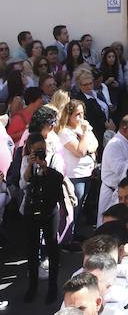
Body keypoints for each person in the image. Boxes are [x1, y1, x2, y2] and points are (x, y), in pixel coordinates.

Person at [20, 132, 64, 303]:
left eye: (42, 149)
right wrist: (30, 166)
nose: (40, 153)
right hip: (31, 209)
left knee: (52, 247)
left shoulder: (54, 158)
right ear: (30, 149)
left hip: (49, 209)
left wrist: (45, 168)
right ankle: (32, 286)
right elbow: (23, 184)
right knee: (31, 249)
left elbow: (59, 179)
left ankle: (52, 286)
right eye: (37, 150)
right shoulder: (27, 161)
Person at [57, 99, 98, 238]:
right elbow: (79, 151)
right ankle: (68, 236)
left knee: (81, 205)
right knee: (74, 205)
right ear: (69, 116)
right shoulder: (64, 132)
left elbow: (95, 144)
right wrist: (85, 137)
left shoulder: (84, 127)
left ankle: (74, 234)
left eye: (82, 114)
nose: (81, 118)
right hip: (75, 174)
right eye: (77, 115)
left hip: (88, 172)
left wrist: (87, 148)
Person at [98, 115, 128, 226]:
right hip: (111, 191)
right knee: (108, 225)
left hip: (122, 192)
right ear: (125, 128)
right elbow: (120, 169)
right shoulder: (114, 145)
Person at [73, 67, 113, 149]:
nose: (89, 86)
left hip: (107, 131)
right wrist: (106, 125)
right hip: (96, 135)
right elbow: (90, 120)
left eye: (90, 83)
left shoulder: (96, 94)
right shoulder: (80, 101)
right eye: (85, 84)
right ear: (79, 85)